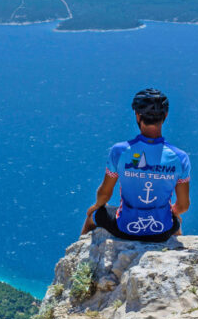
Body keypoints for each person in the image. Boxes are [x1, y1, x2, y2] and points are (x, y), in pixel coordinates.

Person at [81, 88, 190, 241]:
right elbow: (183, 206)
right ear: (165, 115)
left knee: (93, 216)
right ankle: (174, 252)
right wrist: (174, 211)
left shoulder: (119, 151)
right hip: (162, 232)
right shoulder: (180, 157)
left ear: (137, 116)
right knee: (176, 219)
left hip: (125, 228)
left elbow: (105, 194)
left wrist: (96, 205)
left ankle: (82, 256)